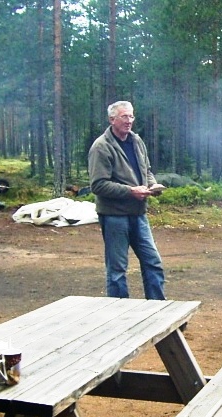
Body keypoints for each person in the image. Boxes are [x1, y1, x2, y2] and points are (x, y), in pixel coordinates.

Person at [88, 100, 166, 300]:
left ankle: (158, 309)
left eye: (131, 116)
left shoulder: (136, 141)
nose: (129, 121)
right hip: (114, 216)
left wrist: (152, 185)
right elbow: (98, 185)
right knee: (117, 270)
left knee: (153, 262)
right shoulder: (101, 147)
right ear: (112, 119)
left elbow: (146, 170)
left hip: (138, 214)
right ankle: (119, 313)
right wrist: (131, 191)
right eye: (124, 116)